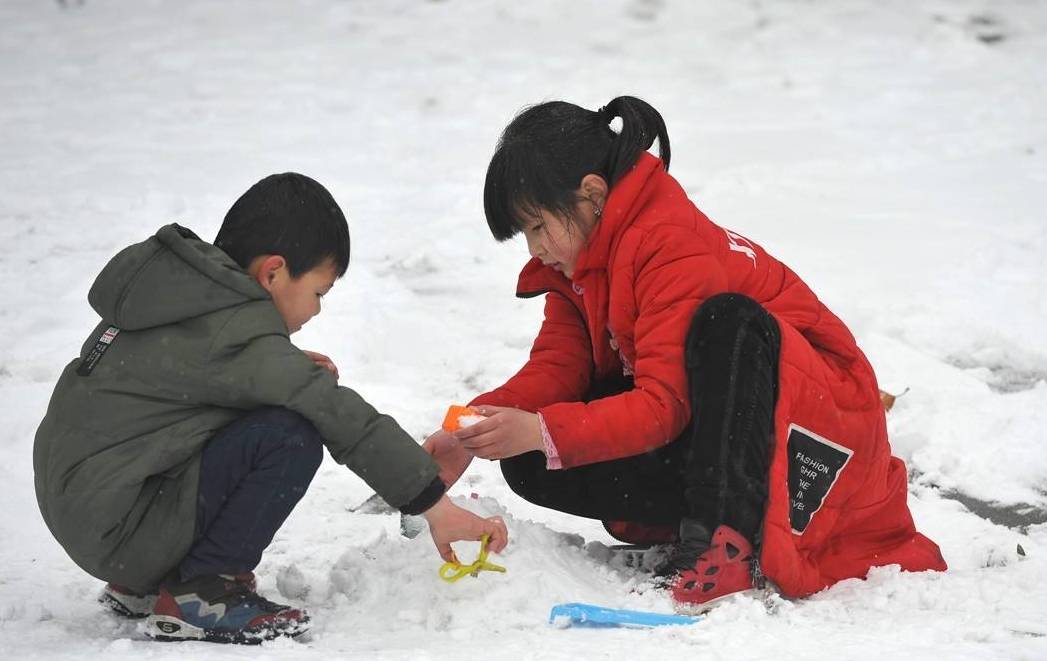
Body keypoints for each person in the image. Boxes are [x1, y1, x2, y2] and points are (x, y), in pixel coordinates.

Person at [423, 96, 945, 612]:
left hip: (823, 438)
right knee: (532, 456)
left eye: (538, 226)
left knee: (726, 321)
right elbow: (559, 367)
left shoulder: (670, 244)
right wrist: (474, 427)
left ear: (592, 194)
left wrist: (541, 428)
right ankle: (700, 520)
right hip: (737, 432)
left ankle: (726, 541)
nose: (533, 248)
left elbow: (662, 406)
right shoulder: (578, 265)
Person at [33, 173, 508, 644]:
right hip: (125, 529)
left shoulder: (180, 295)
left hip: (91, 508)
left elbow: (171, 379)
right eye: (318, 293)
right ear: (274, 272)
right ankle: (205, 591)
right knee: (291, 433)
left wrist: (282, 365)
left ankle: (143, 585)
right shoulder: (237, 334)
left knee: (280, 402)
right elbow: (342, 417)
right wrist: (431, 503)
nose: (317, 310)